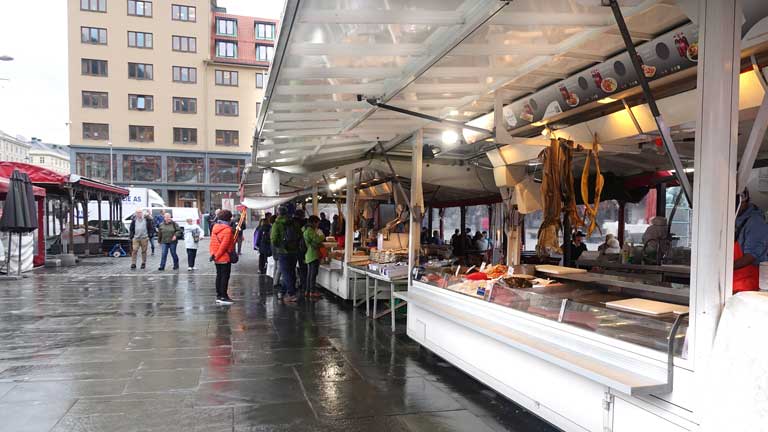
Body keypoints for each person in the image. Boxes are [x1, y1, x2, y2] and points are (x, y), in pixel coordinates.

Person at [734, 190, 768, 293]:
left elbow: (750, 257)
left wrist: (723, 268)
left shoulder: (756, 222)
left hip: (746, 287)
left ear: (743, 200)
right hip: (733, 283)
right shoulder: (737, 219)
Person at [271, 206, 302, 303]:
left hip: (283, 251)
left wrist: (279, 246)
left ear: (278, 213)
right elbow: (300, 235)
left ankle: (291, 294)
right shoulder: (294, 223)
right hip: (294, 251)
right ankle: (282, 291)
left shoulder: (277, 224)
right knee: (291, 271)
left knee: (286, 273)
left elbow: (274, 239)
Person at [210, 209, 235, 305]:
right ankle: (223, 296)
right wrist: (218, 255)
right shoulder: (228, 230)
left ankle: (219, 295)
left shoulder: (215, 227)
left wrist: (213, 254)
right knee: (225, 276)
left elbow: (212, 243)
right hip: (224, 257)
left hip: (216, 257)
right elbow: (224, 246)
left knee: (219, 276)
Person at [304, 215, 325, 299]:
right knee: (313, 274)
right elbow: (317, 240)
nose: (318, 225)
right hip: (313, 254)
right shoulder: (310, 231)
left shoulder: (306, 229)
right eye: (317, 223)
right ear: (313, 222)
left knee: (309, 274)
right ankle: (312, 292)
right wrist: (322, 235)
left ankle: (308, 291)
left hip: (308, 254)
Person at [294, 209, 308, 296]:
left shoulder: (292, 223)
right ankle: (303, 284)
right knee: (303, 267)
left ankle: (298, 283)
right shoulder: (304, 223)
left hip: (293, 248)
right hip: (302, 248)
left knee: (294, 268)